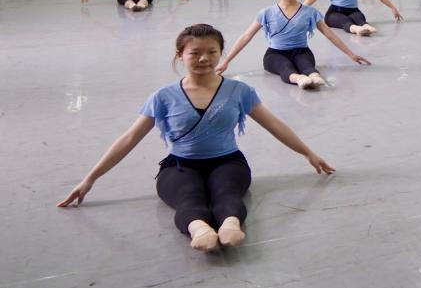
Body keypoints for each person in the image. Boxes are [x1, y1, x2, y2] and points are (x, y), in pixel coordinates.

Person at [57, 24, 336, 253]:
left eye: (212, 52)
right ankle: (199, 229)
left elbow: (273, 124)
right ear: (180, 55)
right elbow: (129, 138)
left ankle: (230, 224)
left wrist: (307, 153)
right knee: (188, 200)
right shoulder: (163, 96)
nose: (204, 59)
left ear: (220, 53)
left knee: (227, 194)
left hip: (228, 162)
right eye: (195, 53)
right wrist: (90, 179)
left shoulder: (239, 91)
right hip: (179, 166)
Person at [219, 0, 370, 88]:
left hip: (302, 51)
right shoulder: (266, 12)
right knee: (285, 67)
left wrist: (351, 54)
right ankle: (299, 79)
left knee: (307, 67)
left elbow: (329, 34)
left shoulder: (310, 12)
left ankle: (314, 77)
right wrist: (226, 61)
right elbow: (246, 36)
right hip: (275, 54)